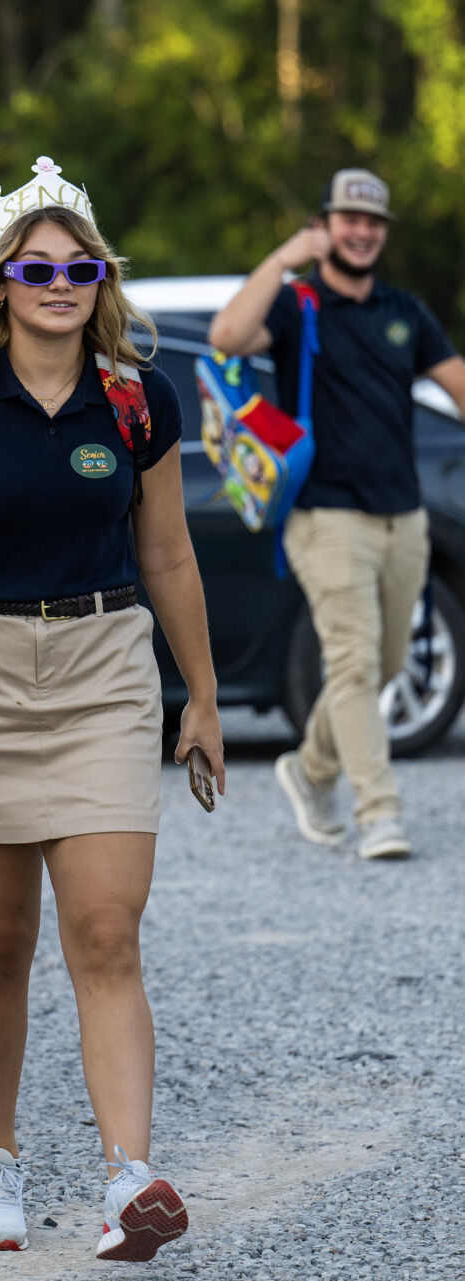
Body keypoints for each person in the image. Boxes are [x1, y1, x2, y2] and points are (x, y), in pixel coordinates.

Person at [0, 157, 223, 1260]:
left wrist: (200, 694)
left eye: (80, 267)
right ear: (1, 280)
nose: (58, 282)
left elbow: (165, 550)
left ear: (101, 279)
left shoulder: (136, 398)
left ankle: (129, 1176)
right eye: (36, 267)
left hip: (104, 665)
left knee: (105, 931)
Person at [207, 168, 465, 860]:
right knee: (351, 662)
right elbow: (227, 335)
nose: (362, 231)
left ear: (383, 233)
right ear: (326, 226)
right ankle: (379, 813)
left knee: (381, 667)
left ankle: (310, 769)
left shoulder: (404, 310)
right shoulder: (298, 306)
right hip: (325, 516)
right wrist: (283, 260)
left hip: (402, 517)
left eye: (373, 223)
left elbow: (457, 383)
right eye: (349, 219)